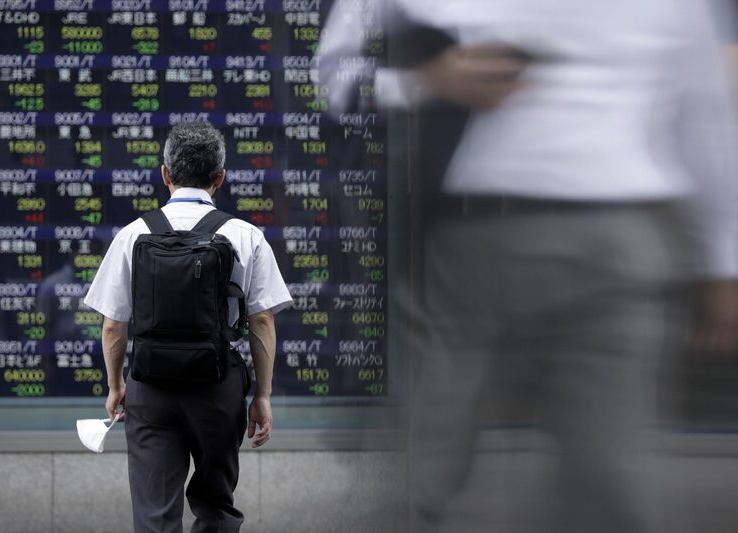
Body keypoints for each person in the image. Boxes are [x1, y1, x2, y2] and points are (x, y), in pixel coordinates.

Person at [319, 1, 738, 532]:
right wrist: (431, 81)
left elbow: (705, 117)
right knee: (419, 470)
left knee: (608, 474)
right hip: (472, 243)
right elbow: (334, 78)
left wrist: (721, 260)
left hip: (615, 245)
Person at [83, 121, 292, 533]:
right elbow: (263, 319)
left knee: (154, 514)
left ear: (165, 174)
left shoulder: (133, 234)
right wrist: (262, 396)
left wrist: (115, 387)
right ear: (220, 178)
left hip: (150, 387)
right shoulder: (245, 235)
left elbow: (112, 326)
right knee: (216, 508)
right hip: (217, 386)